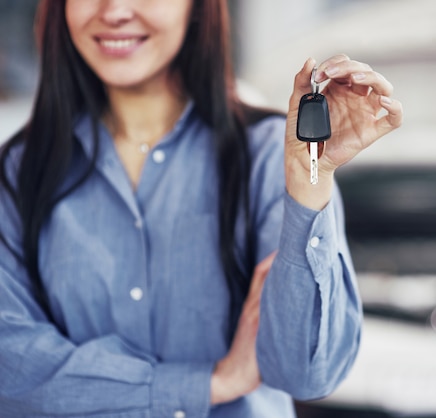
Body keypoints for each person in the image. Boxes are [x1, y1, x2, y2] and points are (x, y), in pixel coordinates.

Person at [0, 0, 402, 417]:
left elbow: (306, 374)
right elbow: (12, 370)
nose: (115, 10)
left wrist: (310, 177)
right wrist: (210, 384)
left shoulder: (270, 155)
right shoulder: (19, 172)